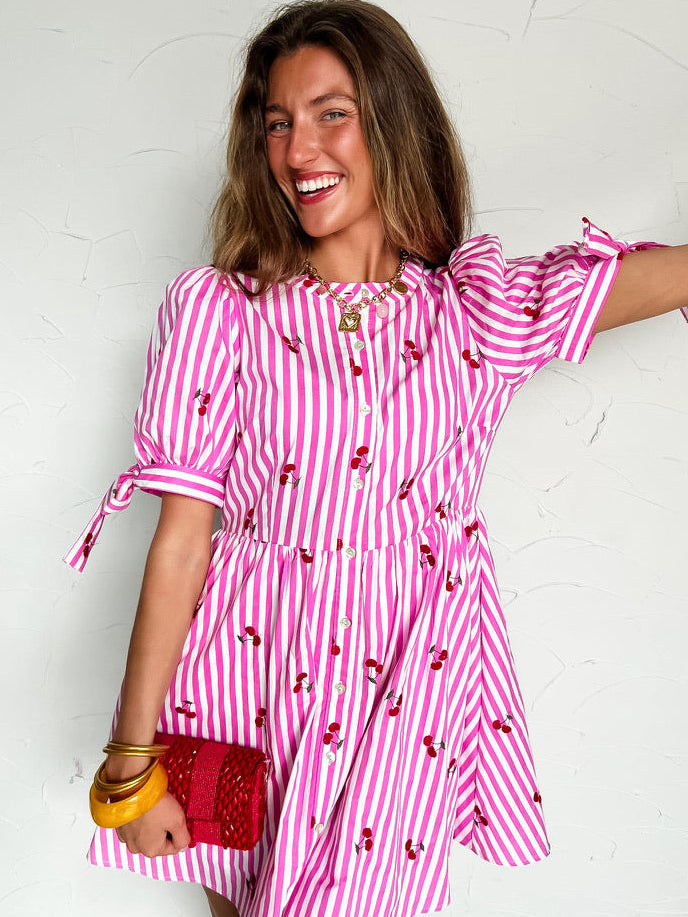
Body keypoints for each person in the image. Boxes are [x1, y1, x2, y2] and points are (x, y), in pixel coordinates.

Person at [63, 1, 688, 915]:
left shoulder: (473, 314)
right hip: (253, 691)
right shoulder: (221, 312)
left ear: (393, 122)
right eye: (277, 123)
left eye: (331, 112)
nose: (299, 148)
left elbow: (647, 279)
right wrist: (131, 764)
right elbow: (182, 543)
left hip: (408, 692)